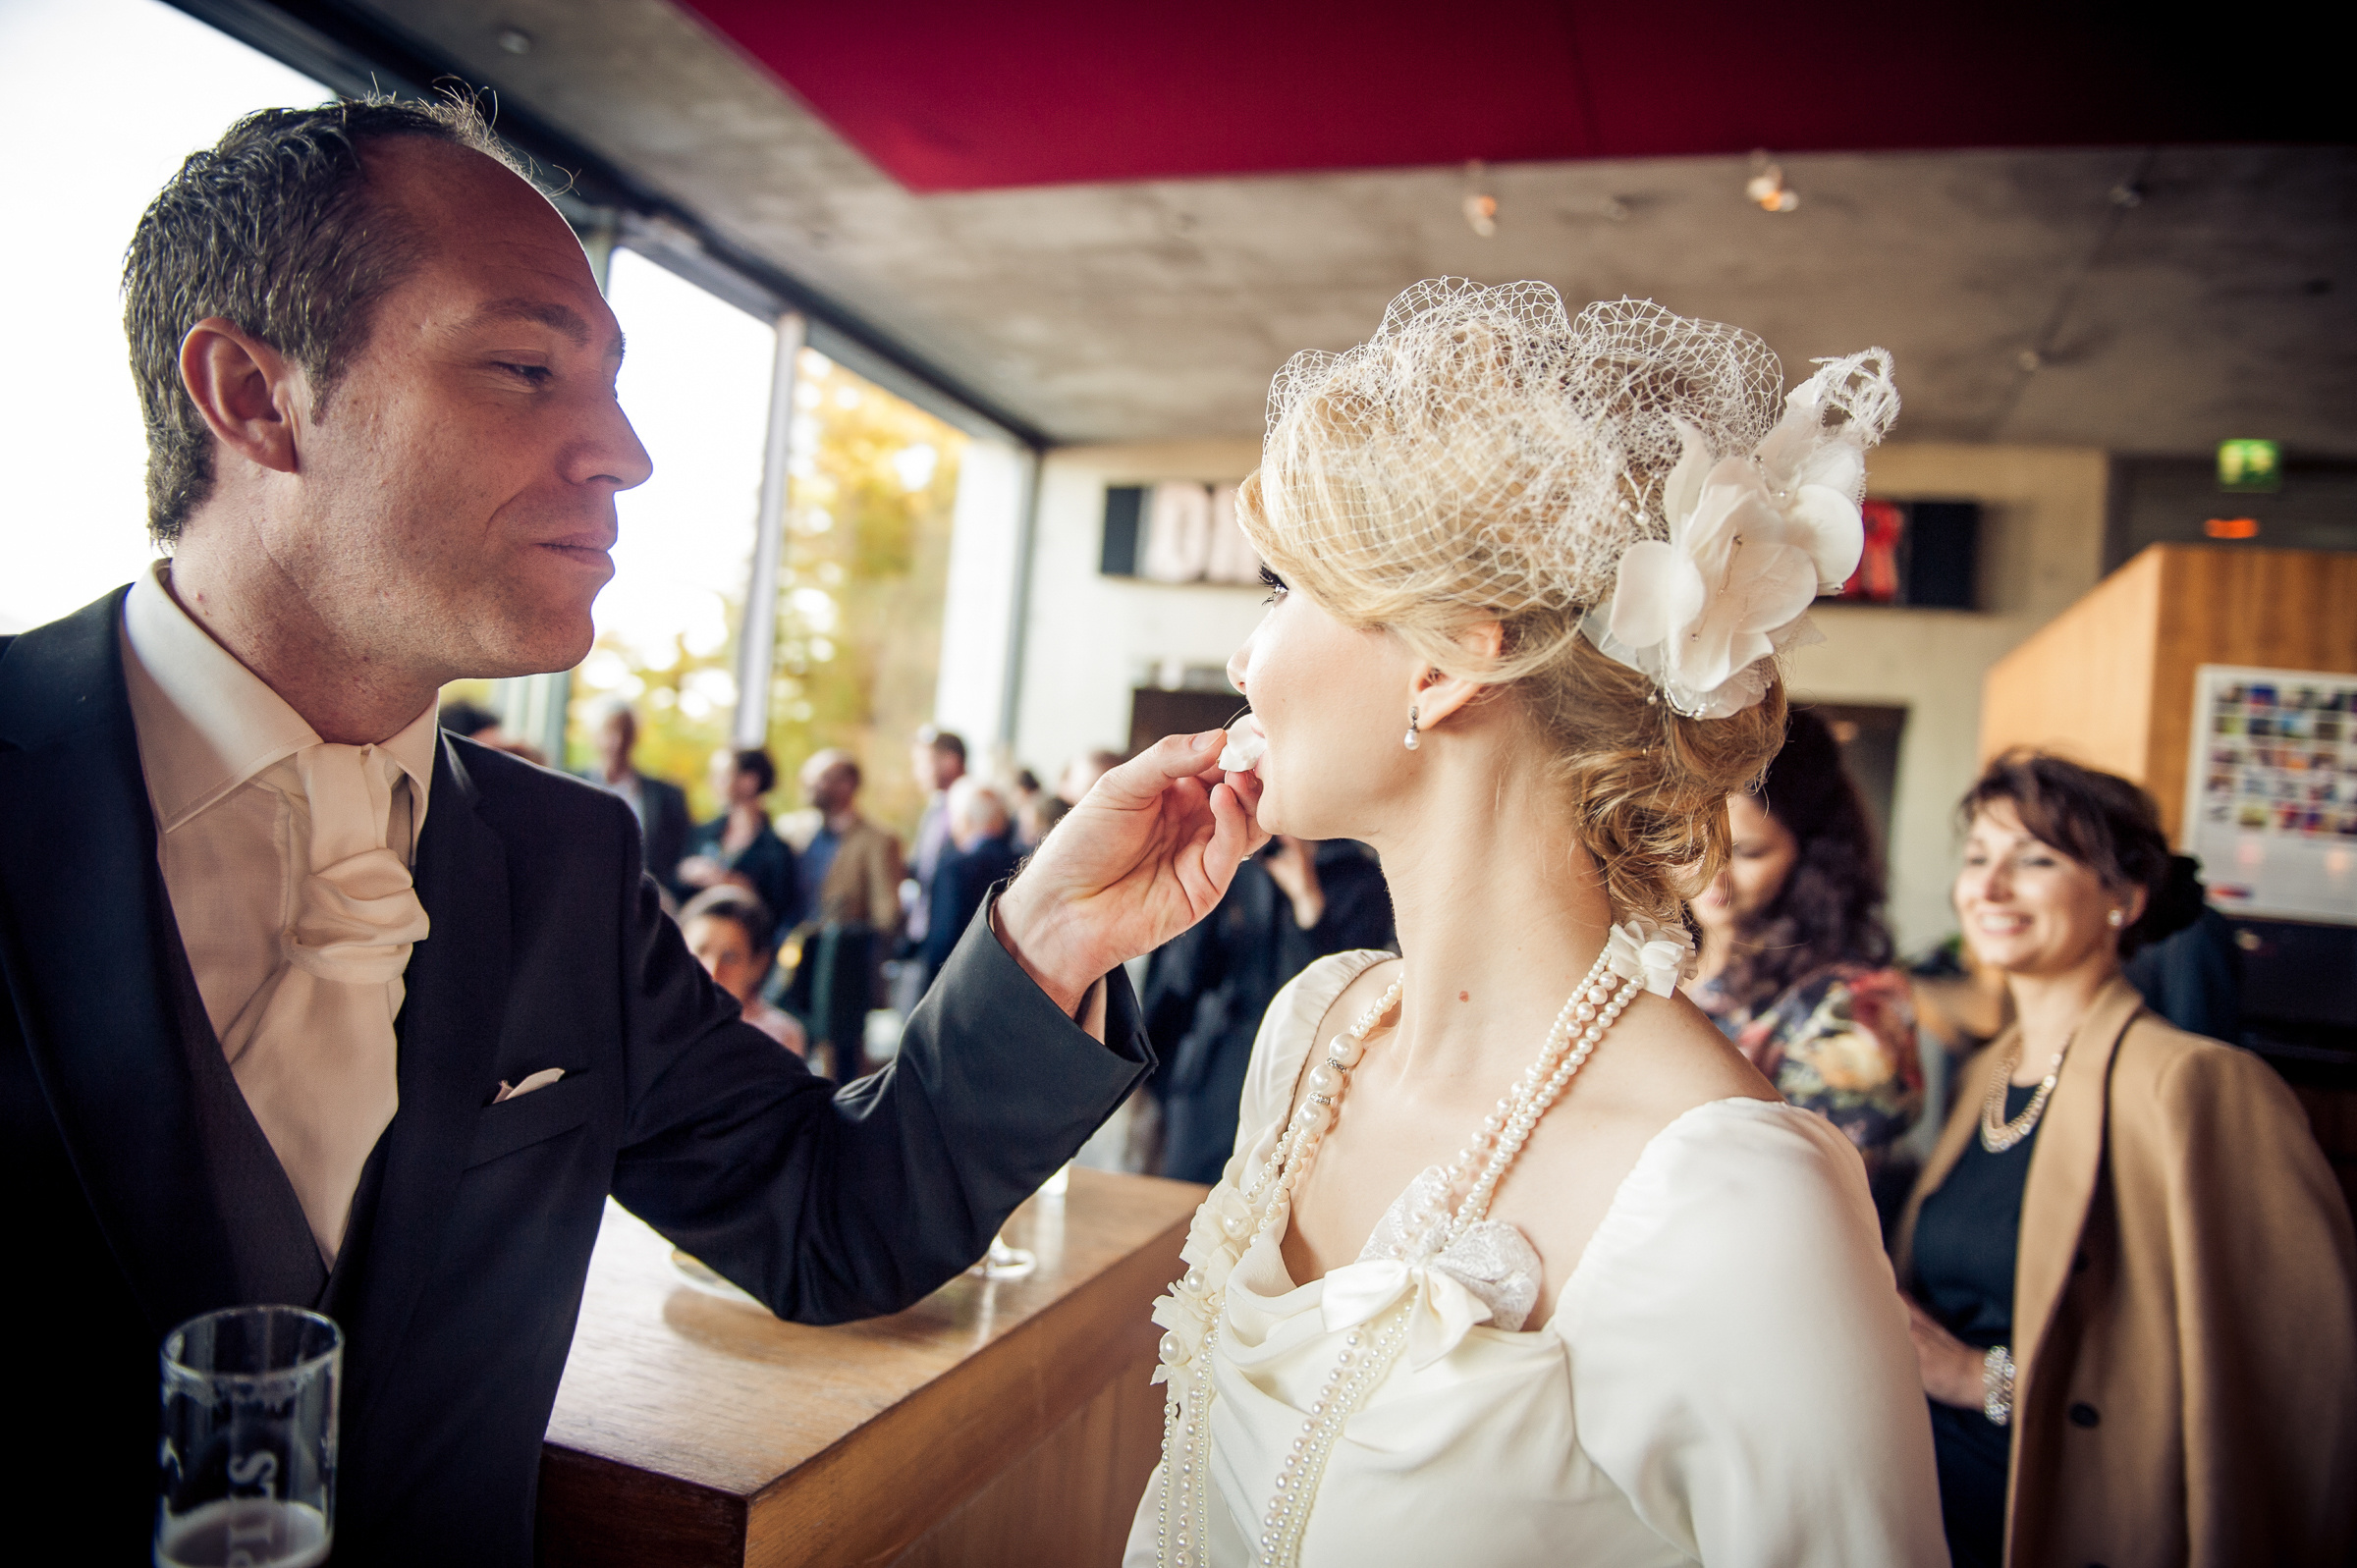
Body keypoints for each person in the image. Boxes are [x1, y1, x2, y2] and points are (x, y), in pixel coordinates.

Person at [0, 97, 1267, 1566]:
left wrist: (1050, 933)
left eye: (605, 383)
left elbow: (828, 1220)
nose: (623, 453)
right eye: (524, 366)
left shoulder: (565, 861)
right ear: (253, 394)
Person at [1126, 282, 1942, 1565]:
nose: (1243, 657)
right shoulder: (1315, 1033)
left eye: (1284, 586)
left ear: (1447, 660)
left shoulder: (1729, 1198)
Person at [1892, 751, 2356, 1568]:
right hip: (1929, 1498)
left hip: (2066, 1514)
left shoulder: (2197, 1085)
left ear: (2124, 897)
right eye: (1978, 858)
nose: (1991, 887)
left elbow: (2300, 1385)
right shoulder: (1987, 1073)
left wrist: (1979, 1378)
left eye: (2035, 859)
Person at [1684, 708, 1922, 1209]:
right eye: (1692, 844)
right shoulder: (1656, 955)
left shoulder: (1851, 1007)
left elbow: (1815, 1199)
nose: (1711, 876)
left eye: (1747, 853)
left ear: (1809, 854)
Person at [1143, 836, 1394, 1183]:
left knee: (1270, 1197)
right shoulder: (1239, 867)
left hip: (1303, 1075)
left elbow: (1349, 996)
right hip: (1215, 1067)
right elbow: (1186, 979)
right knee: (1181, 1202)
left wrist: (1308, 902)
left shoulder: (1359, 877)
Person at [777, 747, 904, 1076]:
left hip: (840, 968)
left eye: (819, 779)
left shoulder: (878, 840)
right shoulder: (794, 833)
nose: (809, 786)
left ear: (847, 784)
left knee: (839, 1061)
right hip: (791, 958)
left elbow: (886, 912)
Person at [678, 746, 801, 933]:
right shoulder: (701, 832)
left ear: (749, 781)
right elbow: (674, 886)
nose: (712, 782)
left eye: (722, 775)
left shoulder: (777, 849)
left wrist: (741, 887)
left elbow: (781, 911)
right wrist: (686, 872)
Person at [917, 778, 1022, 989]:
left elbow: (943, 939)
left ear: (965, 820)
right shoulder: (1025, 864)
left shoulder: (954, 868)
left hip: (959, 985)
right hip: (1011, 983)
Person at [681, 885, 805, 1054]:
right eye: (700, 951)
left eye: (730, 957)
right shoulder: (653, 1021)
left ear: (758, 964)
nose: (712, 970)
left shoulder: (778, 1036)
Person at [584, 699, 689, 892]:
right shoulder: (569, 784)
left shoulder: (668, 796)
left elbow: (679, 858)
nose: (618, 741)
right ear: (595, 735)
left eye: (626, 731)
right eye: (610, 731)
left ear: (636, 737)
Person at [897, 726, 966, 1010]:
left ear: (949, 761)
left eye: (922, 764)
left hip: (954, 938)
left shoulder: (968, 805)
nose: (918, 773)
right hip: (925, 935)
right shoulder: (934, 809)